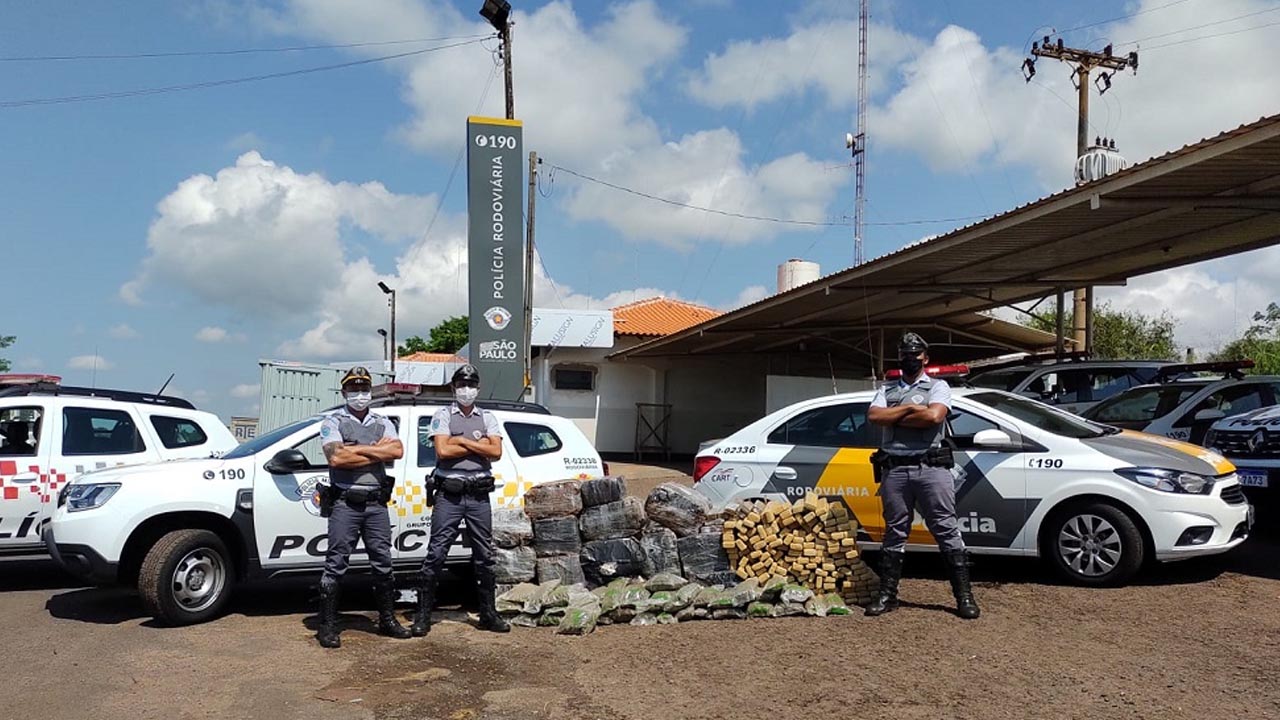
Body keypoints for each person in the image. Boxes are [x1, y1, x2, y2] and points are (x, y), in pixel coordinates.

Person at [865, 332, 980, 620]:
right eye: (904, 355)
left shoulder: (938, 386)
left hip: (931, 467)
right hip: (896, 469)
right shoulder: (886, 389)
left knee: (945, 528)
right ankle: (887, 596)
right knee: (895, 531)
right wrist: (910, 408)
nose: (909, 360)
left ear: (925, 358)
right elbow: (875, 417)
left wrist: (897, 415)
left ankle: (964, 598)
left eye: (915, 355)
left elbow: (933, 418)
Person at [315, 366, 411, 649]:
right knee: (336, 563)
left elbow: (397, 451)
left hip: (376, 505)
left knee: (383, 562)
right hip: (346, 503)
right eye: (354, 390)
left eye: (364, 389)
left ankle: (387, 619)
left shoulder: (383, 421)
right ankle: (328, 625)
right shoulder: (333, 422)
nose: (360, 395)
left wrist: (354, 449)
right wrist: (375, 451)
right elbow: (335, 459)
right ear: (344, 392)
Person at [410, 364, 510, 636]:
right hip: (449, 495)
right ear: (453, 388)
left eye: (472, 384)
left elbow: (497, 451)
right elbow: (442, 450)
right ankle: (423, 616)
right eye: (461, 385)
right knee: (436, 553)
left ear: (478, 388)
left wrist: (461, 441)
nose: (467, 390)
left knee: (485, 556)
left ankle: (488, 614)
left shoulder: (487, 417)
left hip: (478, 495)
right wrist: (478, 445)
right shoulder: (441, 415)